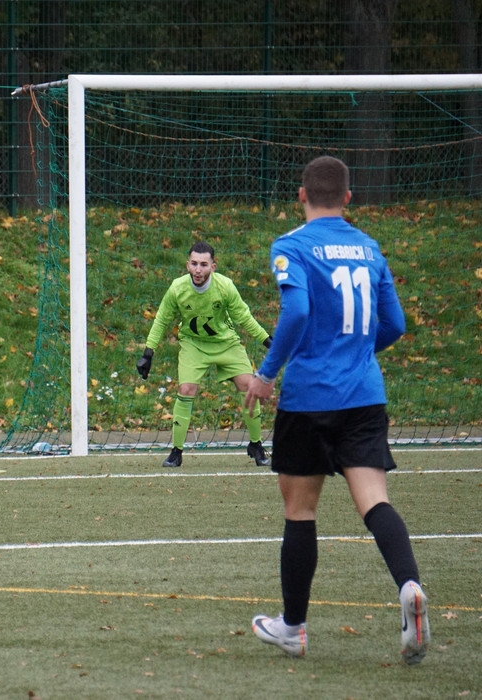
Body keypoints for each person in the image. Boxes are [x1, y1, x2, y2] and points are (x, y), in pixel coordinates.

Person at [245, 155, 429, 664]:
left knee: (300, 510)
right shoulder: (369, 248)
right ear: (348, 198)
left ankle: (293, 628)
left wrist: (266, 374)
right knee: (375, 501)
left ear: (301, 195)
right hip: (364, 395)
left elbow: (298, 309)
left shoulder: (291, 246)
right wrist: (357, 351)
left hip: (309, 398)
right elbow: (394, 324)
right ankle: (409, 585)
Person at [136, 241, 272, 468]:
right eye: (194, 263)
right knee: (186, 389)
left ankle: (256, 445)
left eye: (203, 264)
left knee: (249, 386)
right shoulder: (177, 289)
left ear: (213, 267)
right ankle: (176, 451)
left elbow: (244, 317)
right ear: (187, 265)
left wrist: (267, 341)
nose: (198, 269)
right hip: (194, 344)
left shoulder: (225, 287)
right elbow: (161, 319)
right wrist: (148, 352)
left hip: (226, 343)